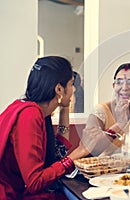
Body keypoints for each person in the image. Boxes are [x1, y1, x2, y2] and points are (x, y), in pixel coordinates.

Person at [0, 56, 84, 199]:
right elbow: (35, 182)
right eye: (71, 84)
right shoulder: (29, 115)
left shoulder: (37, 110)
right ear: (59, 88)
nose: (74, 89)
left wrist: (64, 107)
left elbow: (58, 154)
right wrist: (80, 152)